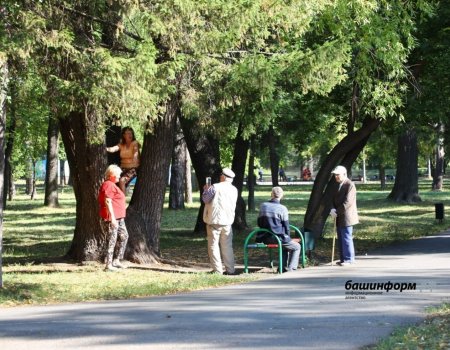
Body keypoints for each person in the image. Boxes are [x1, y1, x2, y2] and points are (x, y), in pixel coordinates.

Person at [202, 168, 238, 275]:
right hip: (227, 221)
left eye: (221, 174)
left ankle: (217, 270)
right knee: (227, 246)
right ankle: (230, 269)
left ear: (224, 177)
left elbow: (205, 199)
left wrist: (206, 190)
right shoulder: (234, 189)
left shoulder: (215, 187)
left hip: (214, 221)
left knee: (213, 245)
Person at [256, 186, 301, 272]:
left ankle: (281, 268)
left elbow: (259, 223)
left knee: (285, 247)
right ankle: (292, 269)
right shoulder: (282, 208)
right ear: (282, 195)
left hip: (264, 237)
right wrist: (288, 238)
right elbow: (286, 226)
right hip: (278, 238)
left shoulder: (263, 206)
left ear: (271, 194)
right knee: (297, 247)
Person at [98, 164, 129, 271]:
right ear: (112, 174)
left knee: (124, 236)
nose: (119, 177)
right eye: (118, 174)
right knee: (112, 240)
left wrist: (123, 184)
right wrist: (112, 218)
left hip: (119, 218)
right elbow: (108, 201)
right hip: (112, 218)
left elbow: (121, 197)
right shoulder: (108, 185)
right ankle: (108, 265)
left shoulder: (113, 185)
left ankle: (116, 260)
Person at [329, 165, 359, 266]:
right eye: (335, 175)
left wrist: (336, 212)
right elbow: (333, 199)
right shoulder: (338, 185)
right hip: (339, 215)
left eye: (338, 175)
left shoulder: (350, 185)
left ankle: (349, 259)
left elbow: (348, 202)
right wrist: (332, 208)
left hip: (347, 216)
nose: (336, 177)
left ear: (344, 174)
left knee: (346, 238)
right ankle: (343, 259)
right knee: (341, 238)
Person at [106, 127, 140, 194]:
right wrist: (105, 149)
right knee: (113, 179)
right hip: (122, 168)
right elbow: (114, 149)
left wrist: (135, 157)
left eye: (131, 133)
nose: (130, 135)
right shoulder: (122, 144)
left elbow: (136, 152)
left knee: (122, 181)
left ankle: (122, 200)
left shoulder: (135, 143)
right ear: (124, 135)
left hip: (132, 169)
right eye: (128, 133)